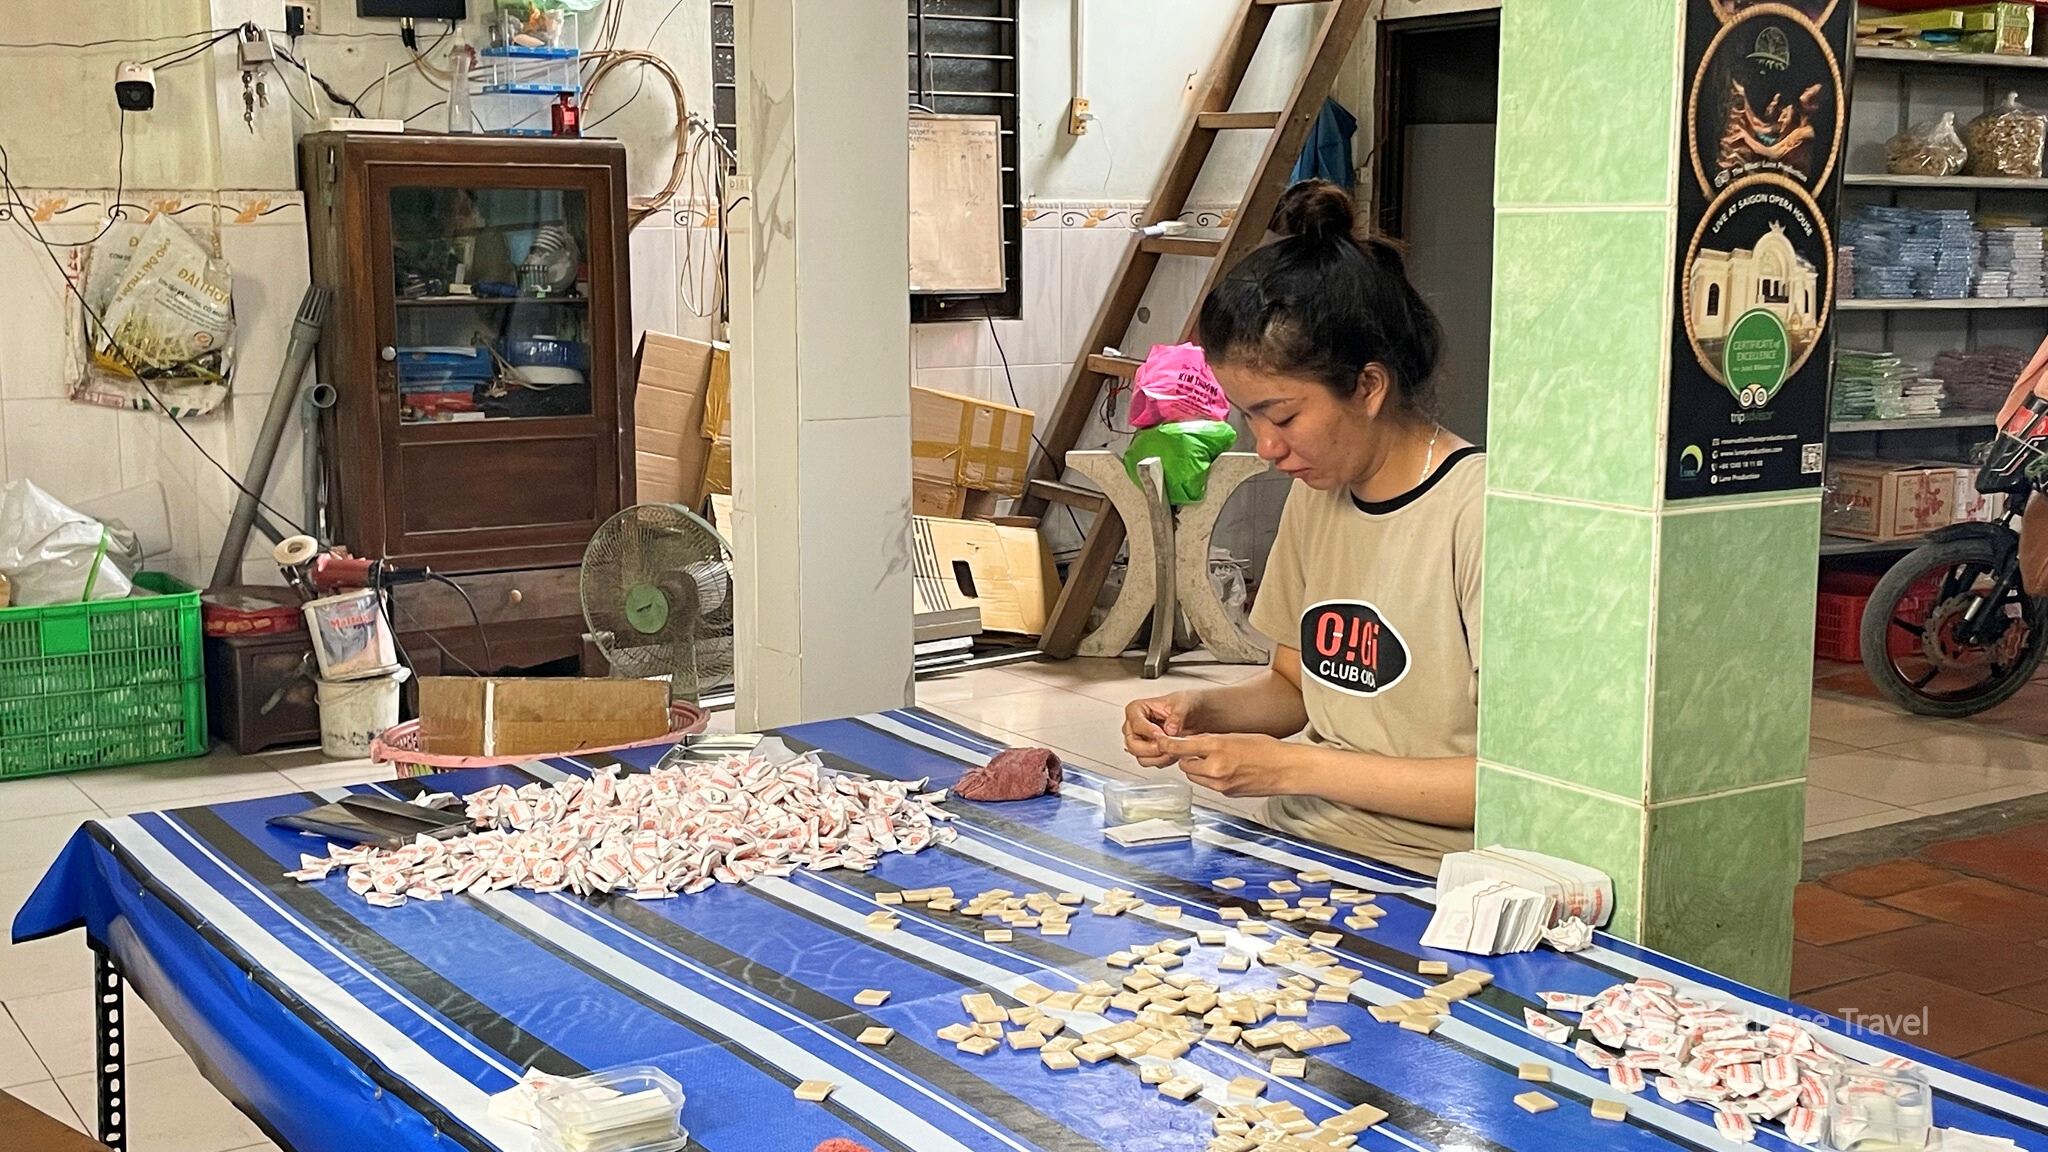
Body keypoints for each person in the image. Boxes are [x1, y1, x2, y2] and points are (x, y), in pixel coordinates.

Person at [1120, 180, 1482, 877]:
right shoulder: (1320, 493)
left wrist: (1291, 768)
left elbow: (1509, 783)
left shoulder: (1476, 512)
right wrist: (1200, 710)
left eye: (1282, 416)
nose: (1266, 445)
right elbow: (1295, 688)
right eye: (1248, 417)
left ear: (1369, 387)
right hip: (1304, 843)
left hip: (1431, 873)